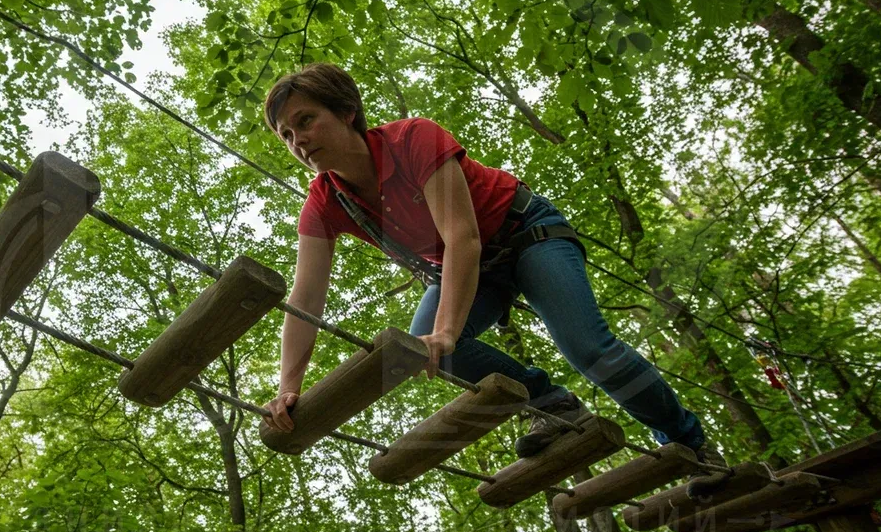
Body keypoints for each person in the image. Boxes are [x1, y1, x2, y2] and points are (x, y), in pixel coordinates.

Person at [258, 62, 724, 467]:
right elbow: (307, 297)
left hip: (526, 234)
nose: (298, 139)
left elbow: (463, 235)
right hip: (469, 267)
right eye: (286, 134)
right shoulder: (323, 203)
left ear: (346, 112)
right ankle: (555, 405)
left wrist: (446, 328)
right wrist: (288, 387)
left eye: (306, 120)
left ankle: (689, 441)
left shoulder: (412, 138)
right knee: (426, 349)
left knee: (588, 348)